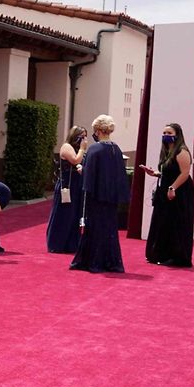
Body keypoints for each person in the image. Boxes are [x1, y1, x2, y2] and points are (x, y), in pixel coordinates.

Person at [70, 115, 130, 274]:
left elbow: (88, 176)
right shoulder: (116, 148)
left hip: (96, 197)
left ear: (97, 130)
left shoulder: (94, 149)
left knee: (95, 228)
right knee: (110, 229)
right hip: (111, 198)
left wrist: (82, 172)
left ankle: (94, 261)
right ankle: (111, 261)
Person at [142, 123, 194, 266]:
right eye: (164, 132)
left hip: (179, 193)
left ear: (177, 135)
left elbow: (185, 173)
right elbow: (168, 172)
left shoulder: (182, 151)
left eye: (169, 133)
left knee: (176, 223)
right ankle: (160, 254)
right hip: (165, 192)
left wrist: (173, 188)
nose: (166, 135)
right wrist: (155, 173)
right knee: (163, 222)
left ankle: (176, 257)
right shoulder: (167, 151)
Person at [47, 126, 88, 254]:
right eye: (81, 136)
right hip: (67, 186)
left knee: (75, 214)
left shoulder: (80, 149)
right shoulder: (67, 147)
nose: (84, 139)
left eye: (85, 136)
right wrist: (82, 149)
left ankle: (72, 244)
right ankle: (57, 243)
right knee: (63, 214)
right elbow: (75, 160)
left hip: (77, 185)